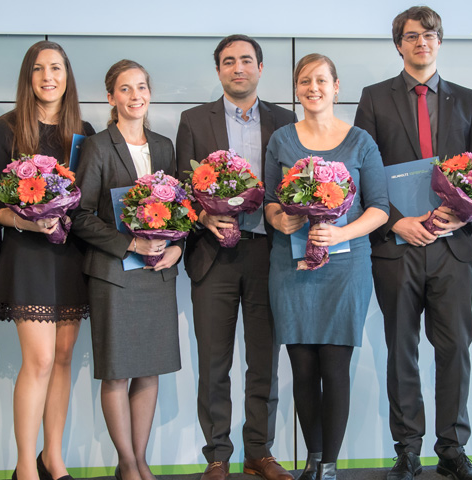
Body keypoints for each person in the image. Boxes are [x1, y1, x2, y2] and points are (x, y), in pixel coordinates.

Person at [353, 6, 472, 480]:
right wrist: (395, 223)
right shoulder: (374, 98)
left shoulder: (467, 99)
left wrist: (462, 215)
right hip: (397, 247)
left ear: (440, 41)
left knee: (455, 350)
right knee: (401, 350)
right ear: (399, 45)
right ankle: (407, 449)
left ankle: (452, 448)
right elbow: (362, 175)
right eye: (411, 36)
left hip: (452, 248)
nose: (421, 42)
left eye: (429, 35)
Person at [175, 34, 296, 480]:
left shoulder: (285, 121)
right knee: (214, 362)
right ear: (219, 71)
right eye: (229, 61)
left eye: (246, 60)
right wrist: (203, 217)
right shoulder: (193, 120)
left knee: (263, 360)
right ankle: (217, 455)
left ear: (260, 68)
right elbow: (181, 189)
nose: (238, 68)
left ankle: (259, 451)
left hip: (268, 253)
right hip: (213, 255)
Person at [264, 53, 390, 480]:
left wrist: (341, 233)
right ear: (296, 89)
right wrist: (279, 219)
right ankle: (313, 460)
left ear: (336, 87)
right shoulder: (282, 140)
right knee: (302, 368)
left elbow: (380, 208)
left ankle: (330, 466)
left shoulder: (360, 142)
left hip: (345, 268)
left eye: (321, 80)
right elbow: (269, 202)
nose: (313, 88)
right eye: (305, 81)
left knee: (334, 367)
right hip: (291, 267)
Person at [0, 41, 95, 480]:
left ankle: (54, 458)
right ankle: (25, 466)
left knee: (63, 357)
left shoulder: (83, 131)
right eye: (38, 69)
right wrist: (34, 224)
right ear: (27, 77)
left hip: (70, 254)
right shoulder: (6, 129)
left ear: (67, 76)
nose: (48, 77)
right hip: (27, 254)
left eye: (56, 68)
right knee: (40, 360)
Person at [71, 59, 182, 480]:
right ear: (110, 97)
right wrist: (131, 243)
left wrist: (178, 248)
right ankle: (127, 463)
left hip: (157, 274)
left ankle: (140, 460)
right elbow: (79, 215)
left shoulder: (164, 146)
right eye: (125, 89)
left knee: (149, 370)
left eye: (141, 87)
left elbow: (182, 210)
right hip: (115, 275)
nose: (135, 96)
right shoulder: (98, 146)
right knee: (118, 373)